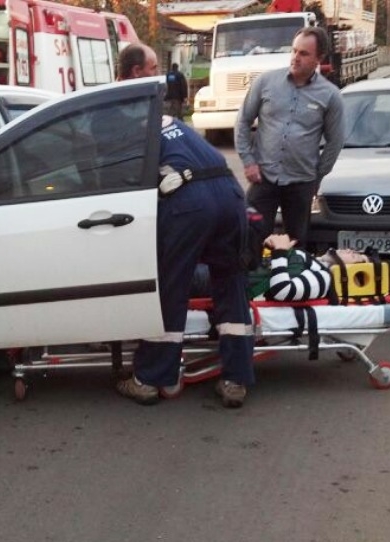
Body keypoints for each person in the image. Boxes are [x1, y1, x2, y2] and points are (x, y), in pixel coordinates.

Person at [114, 44, 255, 408]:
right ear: (135, 73)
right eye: (154, 66)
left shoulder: (124, 115)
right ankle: (236, 379)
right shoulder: (164, 117)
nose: (160, 73)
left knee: (170, 287)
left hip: (190, 202)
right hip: (230, 193)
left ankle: (149, 378)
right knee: (230, 281)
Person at [235, 26, 345, 248]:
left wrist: (317, 177)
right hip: (263, 178)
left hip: (301, 183)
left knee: (295, 246)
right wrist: (248, 162)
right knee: (248, 238)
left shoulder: (330, 95)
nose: (296, 58)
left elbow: (335, 142)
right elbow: (243, 121)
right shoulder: (266, 82)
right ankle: (253, 281)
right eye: (294, 51)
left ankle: (291, 281)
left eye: (304, 54)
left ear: (319, 59)